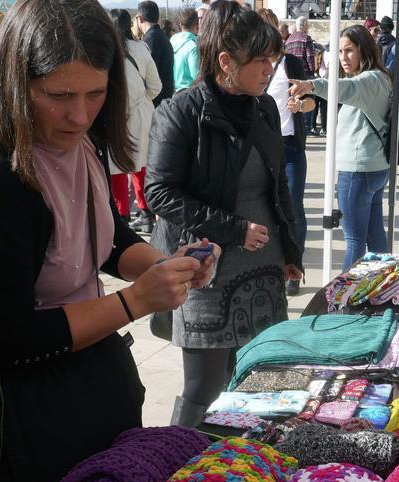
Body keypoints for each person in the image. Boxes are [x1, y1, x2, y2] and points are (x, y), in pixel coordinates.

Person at [0, 0, 215, 482]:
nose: (79, 114)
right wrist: (135, 302)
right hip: (35, 417)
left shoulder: (81, 141)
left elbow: (107, 235)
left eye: (96, 94)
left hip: (95, 387)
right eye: (58, 96)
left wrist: (163, 265)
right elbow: (10, 336)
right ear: (17, 83)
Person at [147, 1, 301, 428]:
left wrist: (291, 248)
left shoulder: (265, 109)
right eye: (261, 61)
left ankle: (241, 470)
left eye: (274, 58)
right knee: (203, 385)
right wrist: (233, 229)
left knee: (258, 377)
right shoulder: (180, 112)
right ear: (225, 62)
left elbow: (279, 185)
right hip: (205, 268)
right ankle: (179, 468)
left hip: (263, 267)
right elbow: (158, 193)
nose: (270, 69)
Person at [290, 25, 392, 271]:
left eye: (349, 51)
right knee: (375, 238)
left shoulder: (368, 80)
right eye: (339, 51)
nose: (343, 57)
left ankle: (344, 300)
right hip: (374, 166)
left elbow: (343, 89)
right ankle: (381, 290)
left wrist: (312, 84)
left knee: (355, 241)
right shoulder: (379, 77)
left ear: (364, 50)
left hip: (357, 169)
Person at [259, 8, 315, 295]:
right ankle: (270, 268)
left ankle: (294, 267)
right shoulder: (251, 65)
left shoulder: (291, 63)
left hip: (290, 147)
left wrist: (300, 106)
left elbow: (310, 103)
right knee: (265, 209)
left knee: (293, 209)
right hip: (261, 148)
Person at [109, 8, 161, 234]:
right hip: (142, 115)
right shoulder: (141, 48)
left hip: (114, 116)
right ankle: (146, 213)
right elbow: (156, 87)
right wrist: (140, 101)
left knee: (117, 168)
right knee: (140, 165)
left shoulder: (105, 50)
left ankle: (121, 216)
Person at [285, 15, 318, 131]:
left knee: (294, 99)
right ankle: (307, 127)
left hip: (291, 74)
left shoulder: (289, 39)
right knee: (308, 98)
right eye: (307, 25)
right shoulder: (306, 38)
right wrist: (312, 71)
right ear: (304, 26)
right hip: (304, 73)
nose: (308, 27)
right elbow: (310, 57)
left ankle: (298, 126)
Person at [138, 0, 174, 105]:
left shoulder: (151, 39)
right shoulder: (159, 35)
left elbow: (149, 74)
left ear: (140, 18)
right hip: (164, 99)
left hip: (157, 102)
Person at [171, 8, 200, 92]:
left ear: (180, 24)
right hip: (188, 93)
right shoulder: (193, 46)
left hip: (173, 91)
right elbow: (196, 76)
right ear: (196, 24)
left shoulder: (172, 40)